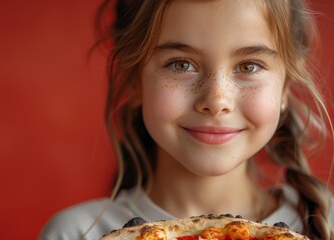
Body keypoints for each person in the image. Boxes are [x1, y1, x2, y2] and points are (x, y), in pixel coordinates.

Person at [39, 0, 334, 239]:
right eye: (181, 64)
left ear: (285, 85)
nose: (217, 100)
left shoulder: (327, 223)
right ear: (133, 79)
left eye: (249, 66)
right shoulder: (76, 233)